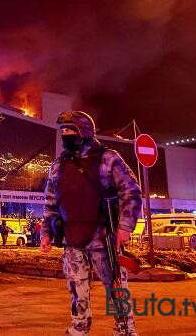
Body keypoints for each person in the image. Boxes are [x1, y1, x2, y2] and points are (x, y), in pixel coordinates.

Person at [40, 111, 142, 336]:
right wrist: (46, 232)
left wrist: (125, 226)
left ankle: (125, 330)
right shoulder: (58, 165)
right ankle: (79, 327)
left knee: (116, 287)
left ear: (84, 131)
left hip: (102, 236)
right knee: (77, 289)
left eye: (70, 130)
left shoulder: (108, 158)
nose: (65, 134)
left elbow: (131, 191)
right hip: (71, 238)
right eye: (63, 130)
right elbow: (50, 202)